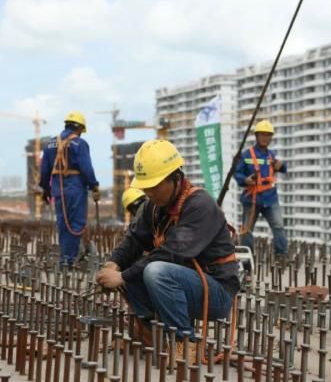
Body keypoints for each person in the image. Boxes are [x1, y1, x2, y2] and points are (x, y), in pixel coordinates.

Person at [96, 139, 239, 357]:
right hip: (184, 284)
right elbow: (134, 240)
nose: (150, 193)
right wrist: (113, 264)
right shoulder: (153, 206)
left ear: (175, 177)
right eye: (146, 187)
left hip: (216, 292)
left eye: (154, 186)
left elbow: (172, 253)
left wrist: (122, 277)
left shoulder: (200, 205)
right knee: (131, 266)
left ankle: (185, 345)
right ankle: (150, 334)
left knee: (154, 270)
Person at [40, 111, 100, 268]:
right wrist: (94, 185)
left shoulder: (50, 143)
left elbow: (44, 170)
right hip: (75, 189)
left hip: (58, 190)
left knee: (63, 224)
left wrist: (46, 190)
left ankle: (67, 257)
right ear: (79, 128)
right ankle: (68, 260)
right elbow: (86, 168)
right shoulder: (80, 144)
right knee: (76, 224)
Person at [234, 120, 288, 263]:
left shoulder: (271, 155)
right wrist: (245, 180)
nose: (266, 138)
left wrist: (281, 166)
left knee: (278, 226)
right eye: (263, 135)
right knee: (246, 231)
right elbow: (237, 173)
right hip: (252, 199)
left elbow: (283, 168)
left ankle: (281, 257)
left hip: (270, 198)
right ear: (256, 136)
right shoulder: (246, 155)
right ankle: (247, 261)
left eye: (268, 135)